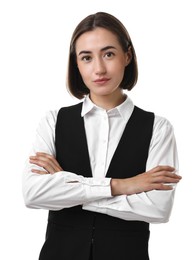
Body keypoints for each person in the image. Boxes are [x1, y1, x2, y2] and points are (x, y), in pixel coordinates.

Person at [22, 11, 182, 260]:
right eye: (86, 58)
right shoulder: (52, 122)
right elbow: (33, 194)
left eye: (108, 54)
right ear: (76, 63)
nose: (99, 68)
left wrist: (69, 190)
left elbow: (158, 208)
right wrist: (122, 186)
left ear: (127, 56)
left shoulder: (158, 128)